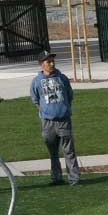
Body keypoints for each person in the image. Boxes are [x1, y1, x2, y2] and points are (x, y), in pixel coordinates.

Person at [30, 53, 80, 186]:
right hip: (48, 122)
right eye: (49, 62)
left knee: (69, 151)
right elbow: (35, 100)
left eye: (53, 61)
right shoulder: (36, 81)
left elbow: (69, 95)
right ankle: (56, 178)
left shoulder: (62, 78)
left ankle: (74, 178)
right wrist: (45, 112)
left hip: (64, 120)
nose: (52, 64)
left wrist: (64, 110)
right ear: (42, 64)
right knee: (53, 152)